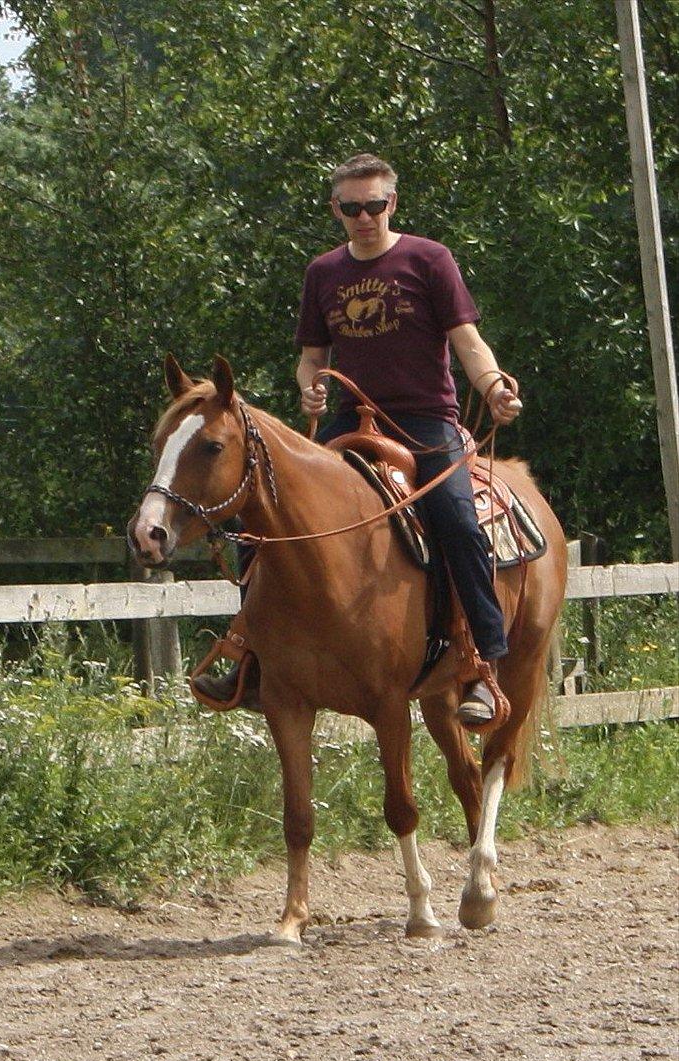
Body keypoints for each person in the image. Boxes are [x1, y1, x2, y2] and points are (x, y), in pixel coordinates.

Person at [194, 152, 522, 725]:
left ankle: (481, 664)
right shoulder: (324, 272)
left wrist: (492, 386)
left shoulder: (429, 258)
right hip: (350, 421)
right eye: (352, 207)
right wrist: (308, 390)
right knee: (261, 520)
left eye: (374, 205)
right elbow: (311, 358)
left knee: (458, 521)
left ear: (391, 203)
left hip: (425, 422)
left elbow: (466, 340)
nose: (364, 216)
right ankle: (253, 655)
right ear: (336, 210)